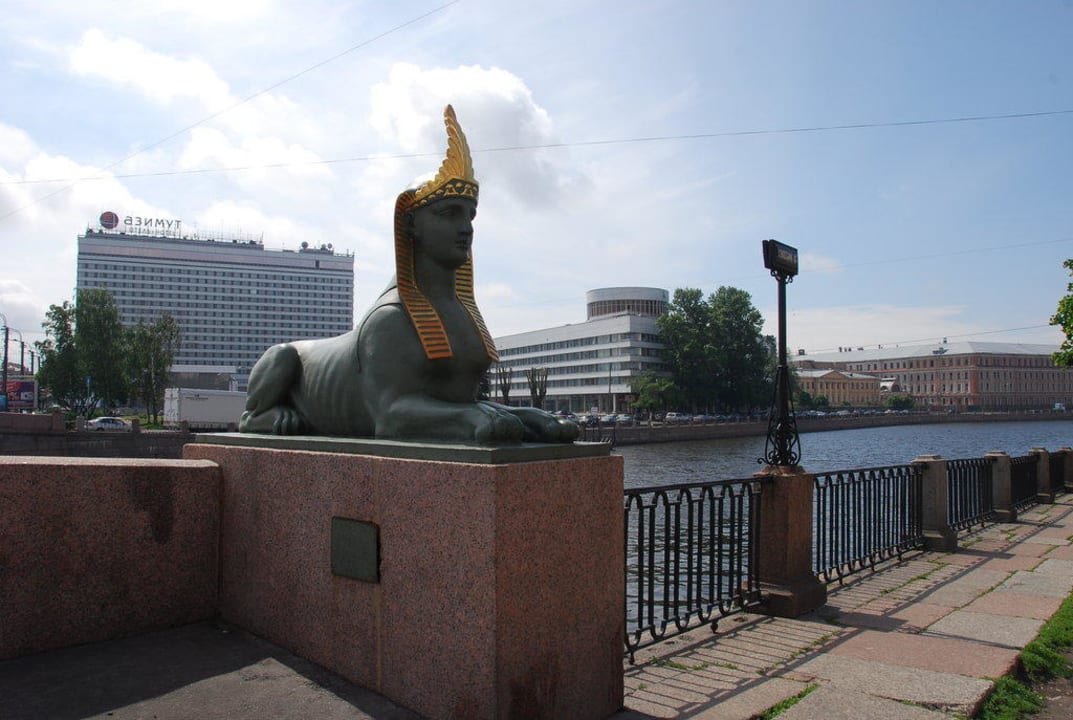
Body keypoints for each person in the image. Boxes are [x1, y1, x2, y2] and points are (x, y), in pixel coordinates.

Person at [239, 105, 578, 444]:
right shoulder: (390, 321)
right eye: (450, 214)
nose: (465, 228)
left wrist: (528, 417)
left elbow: (457, 406)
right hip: (304, 374)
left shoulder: (461, 315)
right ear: (411, 224)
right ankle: (258, 415)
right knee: (283, 355)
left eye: (470, 216)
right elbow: (391, 417)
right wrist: (476, 418)